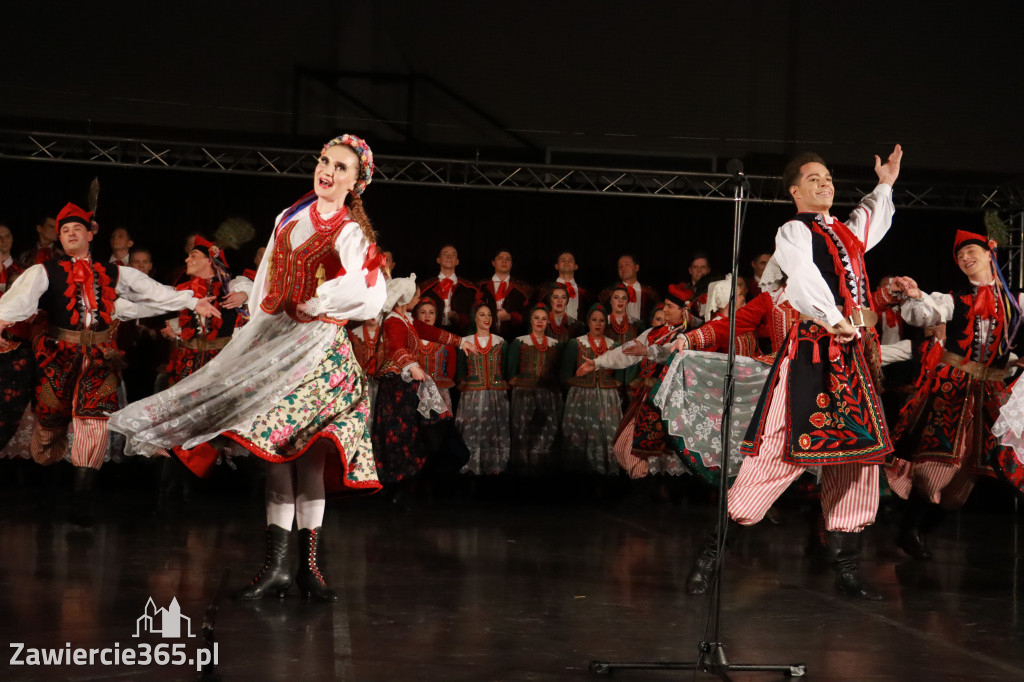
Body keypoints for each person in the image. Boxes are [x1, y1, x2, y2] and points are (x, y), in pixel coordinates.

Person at [108, 134, 387, 601]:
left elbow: (369, 292)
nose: (327, 171)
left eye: (341, 167)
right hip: (276, 342)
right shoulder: (288, 217)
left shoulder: (352, 233)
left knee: (310, 461)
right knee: (274, 458)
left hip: (319, 351)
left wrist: (322, 300)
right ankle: (276, 567)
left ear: (357, 182)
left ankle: (309, 568)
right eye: (324, 161)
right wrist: (252, 334)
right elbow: (267, 286)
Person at [684, 145, 904, 601]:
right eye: (815, 178)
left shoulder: (845, 232)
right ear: (795, 190)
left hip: (856, 358)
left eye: (828, 178)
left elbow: (873, 219)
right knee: (779, 449)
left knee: (859, 459)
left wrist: (885, 183)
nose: (826, 183)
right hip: (814, 352)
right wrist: (832, 318)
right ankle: (711, 555)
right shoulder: (794, 229)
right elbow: (804, 277)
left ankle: (846, 569)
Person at [0, 202, 219, 523]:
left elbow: (153, 293)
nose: (70, 234)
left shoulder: (116, 272)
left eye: (77, 229)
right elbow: (17, 303)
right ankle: (47, 493)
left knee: (94, 422)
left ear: (90, 234)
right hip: (58, 356)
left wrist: (191, 300)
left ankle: (81, 501)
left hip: (101, 357)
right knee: (50, 421)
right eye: (64, 231)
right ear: (59, 239)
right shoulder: (44, 271)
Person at [890, 231, 1024, 560]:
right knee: (937, 461)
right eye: (960, 255)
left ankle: (919, 528)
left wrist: (1014, 361)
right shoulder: (954, 298)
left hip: (991, 391)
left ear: (990, 253)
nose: (965, 258)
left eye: (971, 250)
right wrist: (916, 295)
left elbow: (1008, 343)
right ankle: (910, 527)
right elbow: (925, 312)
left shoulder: (1014, 299)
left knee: (970, 473)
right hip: (953, 385)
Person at [577, 286, 692, 480]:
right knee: (627, 443)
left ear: (684, 310)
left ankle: (674, 489)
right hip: (651, 395)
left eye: (670, 306)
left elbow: (668, 353)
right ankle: (645, 484)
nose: (664, 310)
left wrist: (648, 352)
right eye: (664, 305)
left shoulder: (690, 335)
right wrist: (597, 363)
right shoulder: (654, 332)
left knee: (673, 448)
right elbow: (627, 351)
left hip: (677, 398)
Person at [371, 275, 475, 487]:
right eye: (416, 296)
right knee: (402, 434)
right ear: (405, 297)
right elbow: (396, 348)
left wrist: (459, 341)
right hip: (396, 386)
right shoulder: (392, 321)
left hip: (409, 384)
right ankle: (399, 484)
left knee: (433, 429)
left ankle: (425, 476)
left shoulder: (406, 319)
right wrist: (411, 365)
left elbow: (430, 331)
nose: (418, 300)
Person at [561, 303, 622, 475]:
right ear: (588, 321)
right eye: (594, 320)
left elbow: (619, 372)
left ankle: (605, 474)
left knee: (605, 433)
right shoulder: (576, 343)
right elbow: (565, 374)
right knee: (581, 432)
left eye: (602, 321)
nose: (598, 324)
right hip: (581, 395)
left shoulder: (613, 345)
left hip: (606, 396)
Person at [505, 303, 562, 475]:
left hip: (547, 392)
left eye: (544, 319)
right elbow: (511, 369)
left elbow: (559, 370)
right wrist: (515, 381)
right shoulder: (520, 341)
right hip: (524, 391)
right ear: (530, 320)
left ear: (548, 322)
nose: (540, 321)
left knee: (548, 428)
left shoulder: (555, 344)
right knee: (522, 428)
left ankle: (542, 467)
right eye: (536, 318)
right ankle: (523, 469)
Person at [455, 302, 510, 475]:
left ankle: (494, 467)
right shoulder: (466, 342)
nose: (486, 318)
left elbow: (507, 369)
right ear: (474, 317)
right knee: (472, 430)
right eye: (482, 315)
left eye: (489, 315)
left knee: (495, 431)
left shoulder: (501, 342)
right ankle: (471, 467)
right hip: (472, 395)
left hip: (495, 396)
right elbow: (460, 371)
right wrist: (463, 383)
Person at [419, 245, 479, 333]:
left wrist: (459, 318)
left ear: (457, 261)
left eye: (453, 255)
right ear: (438, 260)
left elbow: (475, 317)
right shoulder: (425, 287)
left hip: (461, 336)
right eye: (445, 254)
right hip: (432, 336)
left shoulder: (469, 289)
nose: (449, 257)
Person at [479, 249, 531, 338]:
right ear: (493, 263)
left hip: (513, 338)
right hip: (485, 339)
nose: (504, 261)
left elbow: (527, 317)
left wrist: (510, 317)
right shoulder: (481, 286)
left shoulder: (522, 289)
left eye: (508, 259)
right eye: (500, 258)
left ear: (511, 264)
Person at [601, 254, 659, 323]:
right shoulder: (607, 294)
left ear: (636, 268)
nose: (623, 268)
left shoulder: (650, 293)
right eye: (620, 266)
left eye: (627, 264)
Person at [552, 250, 589, 321]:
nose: (566, 262)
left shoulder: (585, 293)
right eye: (563, 260)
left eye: (570, 260)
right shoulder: (547, 290)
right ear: (556, 266)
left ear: (576, 266)